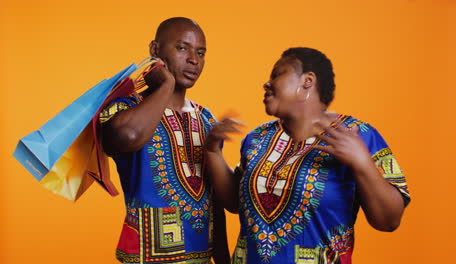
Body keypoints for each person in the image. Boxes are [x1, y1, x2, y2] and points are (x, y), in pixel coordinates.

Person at [205, 47, 411, 263]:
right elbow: (236, 203)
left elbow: (389, 221)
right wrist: (213, 151)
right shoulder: (258, 138)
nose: (266, 83)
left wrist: (362, 163)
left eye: (277, 74)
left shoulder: (357, 134)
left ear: (307, 81)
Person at [99, 17, 230, 264]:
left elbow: (214, 199)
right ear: (155, 50)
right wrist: (166, 84)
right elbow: (128, 137)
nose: (194, 59)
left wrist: (223, 259)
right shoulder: (125, 108)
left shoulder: (206, 119)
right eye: (182, 48)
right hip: (147, 257)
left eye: (200, 52)